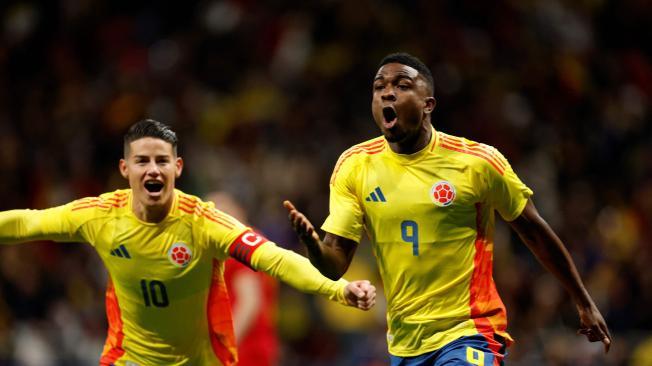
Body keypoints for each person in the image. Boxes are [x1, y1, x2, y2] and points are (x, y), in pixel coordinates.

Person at [284, 52, 611, 365]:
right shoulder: (354, 167)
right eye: (379, 86)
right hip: (405, 341)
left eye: (402, 85)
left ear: (428, 105)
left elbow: (535, 232)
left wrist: (582, 301)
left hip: (470, 330)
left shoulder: (477, 163)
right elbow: (335, 264)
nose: (387, 93)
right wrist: (313, 245)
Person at [0, 119, 376, 366]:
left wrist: (339, 289)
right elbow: (27, 222)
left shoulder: (204, 223)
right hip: (129, 359)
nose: (153, 169)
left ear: (177, 168)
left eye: (162, 161)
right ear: (124, 169)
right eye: (142, 160)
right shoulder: (100, 216)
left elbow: (273, 259)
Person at [205, 191, 279, 366]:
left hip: (244, 350)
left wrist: (225, 346)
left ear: (239, 212)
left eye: (222, 212)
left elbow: (250, 301)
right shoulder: (255, 243)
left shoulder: (241, 247)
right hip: (254, 345)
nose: (215, 220)